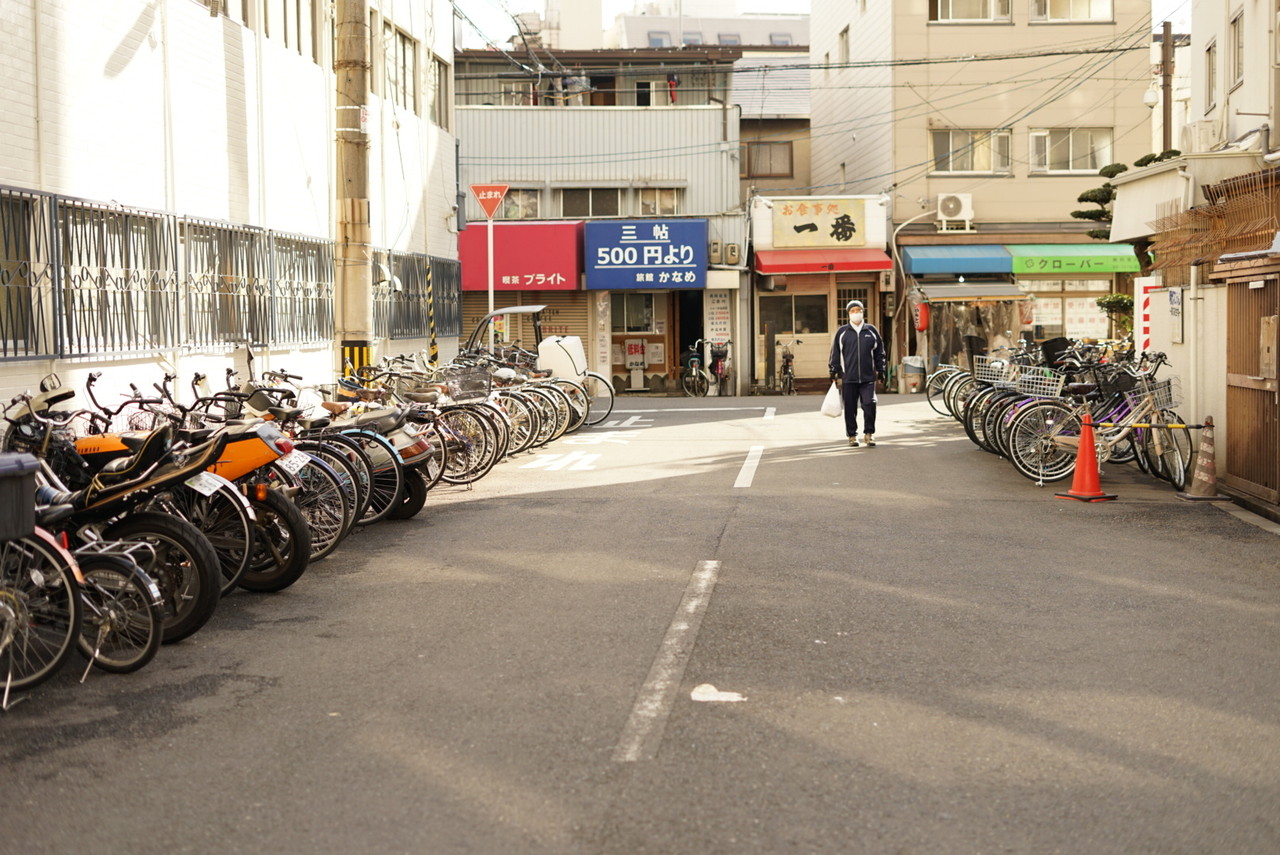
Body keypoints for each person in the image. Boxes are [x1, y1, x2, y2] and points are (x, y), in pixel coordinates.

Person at [828, 299, 886, 447]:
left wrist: (881, 370)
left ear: (862, 312)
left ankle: (869, 434)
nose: (856, 313)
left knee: (869, 404)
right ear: (848, 314)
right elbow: (835, 353)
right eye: (852, 311)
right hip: (849, 377)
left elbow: (880, 353)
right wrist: (834, 370)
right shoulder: (842, 332)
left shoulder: (871, 331)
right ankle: (852, 435)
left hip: (868, 377)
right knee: (850, 408)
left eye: (858, 310)